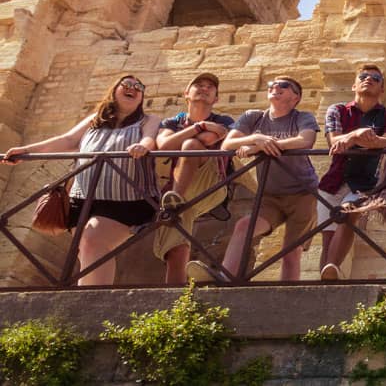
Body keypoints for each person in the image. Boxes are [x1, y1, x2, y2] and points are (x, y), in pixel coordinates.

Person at [3, 75, 159, 286]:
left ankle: (92, 304)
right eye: (127, 84)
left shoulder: (149, 120)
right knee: (88, 249)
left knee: (93, 241)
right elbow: (67, 140)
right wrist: (27, 150)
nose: (132, 88)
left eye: (138, 87)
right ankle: (83, 304)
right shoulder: (94, 120)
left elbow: (150, 138)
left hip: (125, 200)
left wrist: (144, 146)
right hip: (84, 198)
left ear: (141, 97)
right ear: (114, 90)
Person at [187, 75, 319, 282]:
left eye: (284, 86)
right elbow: (228, 144)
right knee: (244, 227)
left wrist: (261, 147)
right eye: (271, 85)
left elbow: (305, 140)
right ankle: (226, 277)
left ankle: (287, 297)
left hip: (303, 193)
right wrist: (256, 138)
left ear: (296, 97)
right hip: (270, 194)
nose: (275, 87)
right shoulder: (254, 117)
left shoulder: (302, 117)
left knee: (290, 251)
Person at [316, 65, 386, 281]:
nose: (368, 80)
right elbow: (334, 141)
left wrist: (353, 139)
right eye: (363, 77)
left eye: (375, 78)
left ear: (382, 89)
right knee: (328, 237)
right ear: (354, 85)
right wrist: (359, 135)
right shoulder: (337, 110)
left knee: (348, 213)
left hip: (365, 180)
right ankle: (327, 278)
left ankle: (332, 266)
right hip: (334, 180)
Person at [153, 72, 235, 284]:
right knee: (176, 232)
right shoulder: (171, 121)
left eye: (210, 87)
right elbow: (163, 145)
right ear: (186, 94)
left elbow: (205, 140)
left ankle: (175, 200)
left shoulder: (224, 120)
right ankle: (175, 298)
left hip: (211, 184)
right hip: (177, 187)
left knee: (190, 146)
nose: (204, 88)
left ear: (216, 99)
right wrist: (199, 126)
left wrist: (192, 134)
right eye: (198, 84)